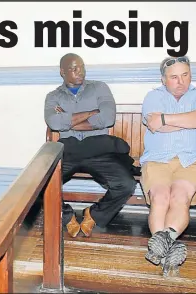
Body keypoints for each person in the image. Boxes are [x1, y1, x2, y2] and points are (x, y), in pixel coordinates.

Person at [44, 53, 137, 238]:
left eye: (82, 67)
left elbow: (107, 118)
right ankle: (67, 216)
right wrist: (92, 112)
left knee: (126, 184)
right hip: (67, 150)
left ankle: (94, 214)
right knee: (38, 184)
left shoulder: (99, 88)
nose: (80, 72)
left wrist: (68, 120)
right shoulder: (53, 96)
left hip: (98, 149)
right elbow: (54, 123)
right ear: (62, 72)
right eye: (74, 68)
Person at [140, 55, 196, 276]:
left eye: (185, 75)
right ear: (164, 80)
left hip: (191, 159)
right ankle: (169, 249)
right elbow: (155, 124)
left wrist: (165, 119)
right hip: (156, 158)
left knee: (179, 197)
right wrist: (194, 124)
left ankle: (163, 245)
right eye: (174, 77)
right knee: (161, 197)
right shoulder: (153, 96)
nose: (181, 81)